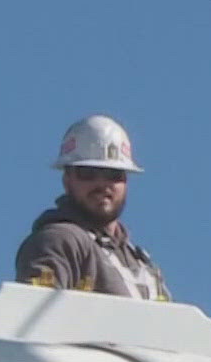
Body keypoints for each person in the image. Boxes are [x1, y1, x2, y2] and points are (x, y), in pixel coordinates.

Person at [16, 114, 171, 301]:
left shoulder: (143, 264)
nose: (102, 184)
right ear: (67, 181)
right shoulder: (60, 241)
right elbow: (34, 318)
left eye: (113, 174)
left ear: (125, 180)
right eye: (88, 173)